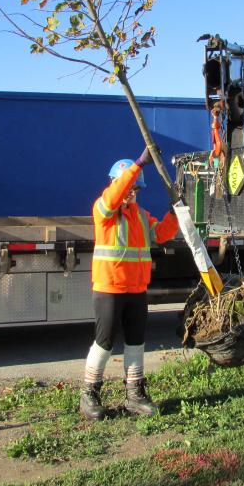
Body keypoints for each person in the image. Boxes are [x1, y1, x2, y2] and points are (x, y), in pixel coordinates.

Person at [80, 148, 180, 421]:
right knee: (104, 343)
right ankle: (89, 394)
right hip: (109, 289)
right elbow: (114, 195)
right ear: (115, 182)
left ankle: (135, 394)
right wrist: (138, 164)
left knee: (136, 343)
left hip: (136, 289)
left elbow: (161, 234)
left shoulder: (141, 215)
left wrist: (174, 213)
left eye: (136, 187)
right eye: (128, 185)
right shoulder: (104, 208)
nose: (132, 190)